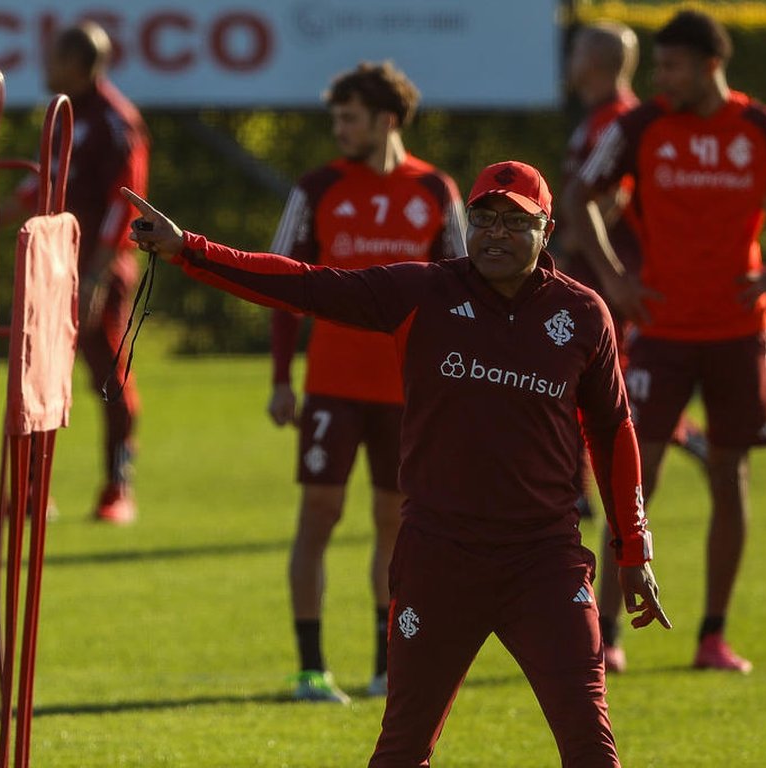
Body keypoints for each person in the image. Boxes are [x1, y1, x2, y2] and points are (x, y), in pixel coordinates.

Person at [122, 159, 671, 766]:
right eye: (484, 218)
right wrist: (188, 249)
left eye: (516, 222)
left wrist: (634, 549)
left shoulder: (584, 314)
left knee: (591, 748)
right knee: (403, 749)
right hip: (439, 558)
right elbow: (305, 284)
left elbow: (614, 432)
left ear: (547, 231)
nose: (496, 234)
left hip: (544, 561)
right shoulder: (423, 291)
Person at [564, 9, 766, 673]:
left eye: (672, 67)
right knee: (634, 478)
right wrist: (615, 277)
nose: (660, 79)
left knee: (729, 473)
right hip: (661, 330)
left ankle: (713, 636)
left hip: (739, 331)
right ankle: (606, 634)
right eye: (659, 65)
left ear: (710, 66)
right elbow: (579, 194)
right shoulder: (642, 126)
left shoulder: (764, 129)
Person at [265, 62, 466, 703]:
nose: (340, 129)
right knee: (318, 516)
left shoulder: (434, 189)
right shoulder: (318, 186)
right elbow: (281, 282)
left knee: (394, 524)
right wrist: (281, 377)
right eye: (337, 118)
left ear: (386, 119)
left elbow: (464, 294)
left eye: (349, 118)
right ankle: (310, 668)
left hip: (407, 392)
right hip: (332, 385)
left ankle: (387, 667)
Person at [0, 22, 149, 524]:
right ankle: (32, 493)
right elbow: (38, 186)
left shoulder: (116, 122)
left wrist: (97, 274)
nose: (45, 65)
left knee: (109, 379)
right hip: (53, 268)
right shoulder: (62, 116)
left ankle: (117, 489)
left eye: (54, 57)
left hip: (98, 270)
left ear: (78, 64)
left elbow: (124, 204)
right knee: (36, 377)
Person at [560, 20, 709, 674]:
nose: (567, 60)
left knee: (614, 420)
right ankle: (666, 441)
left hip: (616, 298)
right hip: (599, 290)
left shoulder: (620, 122)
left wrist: (590, 252)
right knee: (588, 407)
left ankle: (678, 433)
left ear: (596, 60)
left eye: (575, 50)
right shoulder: (597, 118)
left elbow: (614, 197)